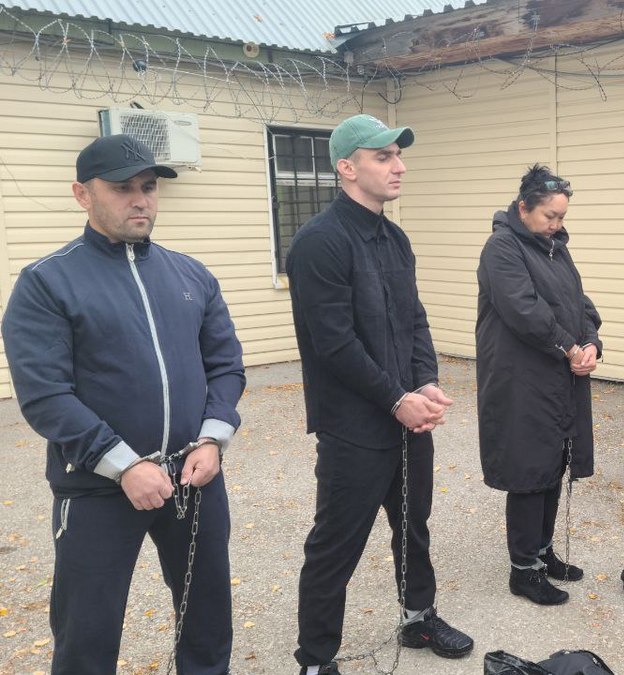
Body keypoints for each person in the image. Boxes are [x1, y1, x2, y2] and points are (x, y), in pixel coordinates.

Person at [1, 134, 245, 674]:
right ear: (82, 194)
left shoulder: (191, 274)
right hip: (98, 487)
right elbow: (45, 395)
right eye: (121, 188)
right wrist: (124, 464)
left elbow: (226, 365)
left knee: (206, 618)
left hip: (193, 476)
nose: (140, 200)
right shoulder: (47, 282)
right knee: (87, 632)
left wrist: (212, 437)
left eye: (148, 187)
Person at [287, 114, 473, 674]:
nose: (400, 167)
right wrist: (396, 399)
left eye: (398, 155)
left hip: (408, 416)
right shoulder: (319, 243)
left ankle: (418, 617)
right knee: (335, 543)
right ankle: (316, 658)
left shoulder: (395, 239)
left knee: (413, 525)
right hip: (354, 427)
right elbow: (335, 344)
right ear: (347, 167)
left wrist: (426, 382)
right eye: (384, 156)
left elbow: (414, 319)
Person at [476, 165, 602, 606]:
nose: (556, 224)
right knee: (529, 469)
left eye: (562, 217)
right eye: (550, 216)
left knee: (553, 463)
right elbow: (524, 310)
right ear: (523, 207)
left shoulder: (555, 249)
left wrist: (591, 342)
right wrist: (570, 346)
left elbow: (580, 303)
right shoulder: (502, 248)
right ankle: (523, 570)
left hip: (558, 378)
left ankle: (543, 551)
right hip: (520, 380)